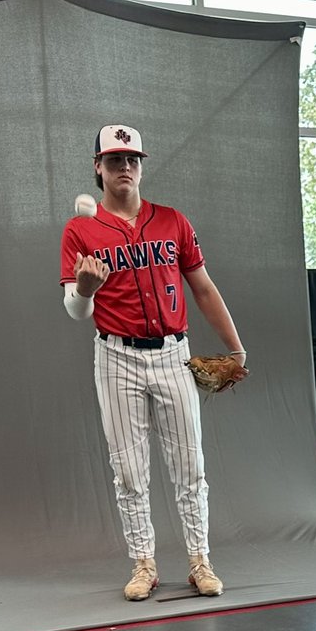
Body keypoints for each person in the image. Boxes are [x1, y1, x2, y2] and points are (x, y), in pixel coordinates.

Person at [59, 124, 246, 601]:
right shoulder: (80, 231)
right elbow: (76, 311)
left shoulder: (173, 221)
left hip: (172, 353)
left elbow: (202, 287)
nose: (125, 167)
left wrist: (235, 346)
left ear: (141, 166)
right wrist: (84, 288)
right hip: (115, 356)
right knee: (128, 468)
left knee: (190, 464)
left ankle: (200, 560)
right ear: (97, 167)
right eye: (115, 160)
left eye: (133, 159)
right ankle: (144, 564)